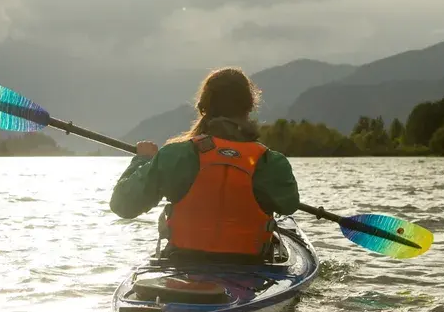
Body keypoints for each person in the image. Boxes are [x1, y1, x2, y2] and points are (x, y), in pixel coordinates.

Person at [109, 67, 300, 263]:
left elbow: (123, 206)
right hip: (251, 267)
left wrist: (142, 160)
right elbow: (288, 205)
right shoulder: (271, 162)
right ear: (249, 108)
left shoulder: (174, 155)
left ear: (203, 108)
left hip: (183, 266)